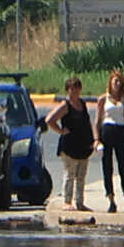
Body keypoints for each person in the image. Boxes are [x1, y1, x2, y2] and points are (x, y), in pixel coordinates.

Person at [43, 77, 96, 212]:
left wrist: (93, 139)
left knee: (81, 175)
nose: (75, 91)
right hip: (69, 145)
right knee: (70, 174)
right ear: (68, 90)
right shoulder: (65, 105)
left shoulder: (82, 104)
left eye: (77, 88)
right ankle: (67, 201)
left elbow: (88, 122)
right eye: (72, 88)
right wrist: (60, 131)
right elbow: (50, 120)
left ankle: (80, 202)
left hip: (83, 145)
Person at [97, 70, 124, 212]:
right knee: (107, 166)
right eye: (115, 81)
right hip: (107, 130)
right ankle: (111, 199)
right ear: (110, 83)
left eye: (120, 82)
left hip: (120, 130)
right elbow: (97, 121)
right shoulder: (103, 99)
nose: (117, 84)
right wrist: (96, 139)